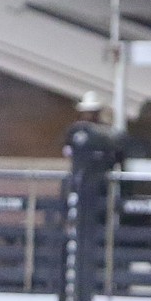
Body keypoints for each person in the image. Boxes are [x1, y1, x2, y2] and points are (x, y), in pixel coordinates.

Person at [63, 91, 127, 226]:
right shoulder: (75, 131)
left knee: (97, 217)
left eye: (91, 111)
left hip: (99, 181)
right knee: (77, 216)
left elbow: (117, 156)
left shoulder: (106, 133)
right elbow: (68, 150)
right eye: (87, 111)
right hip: (79, 179)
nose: (88, 114)